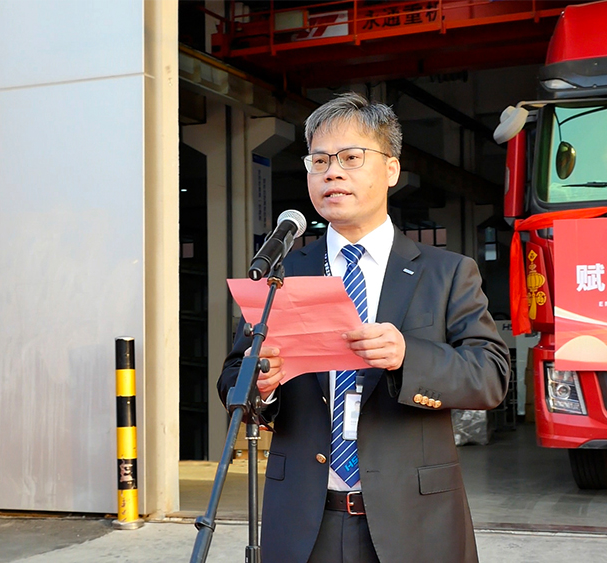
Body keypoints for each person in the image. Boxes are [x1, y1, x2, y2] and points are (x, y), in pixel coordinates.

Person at [218, 92, 510, 563]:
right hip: (304, 522)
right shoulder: (283, 275)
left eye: (351, 158)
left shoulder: (447, 272)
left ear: (391, 169)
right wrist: (262, 383)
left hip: (416, 523)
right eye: (319, 161)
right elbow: (233, 378)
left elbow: (490, 376)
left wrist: (407, 356)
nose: (332, 173)